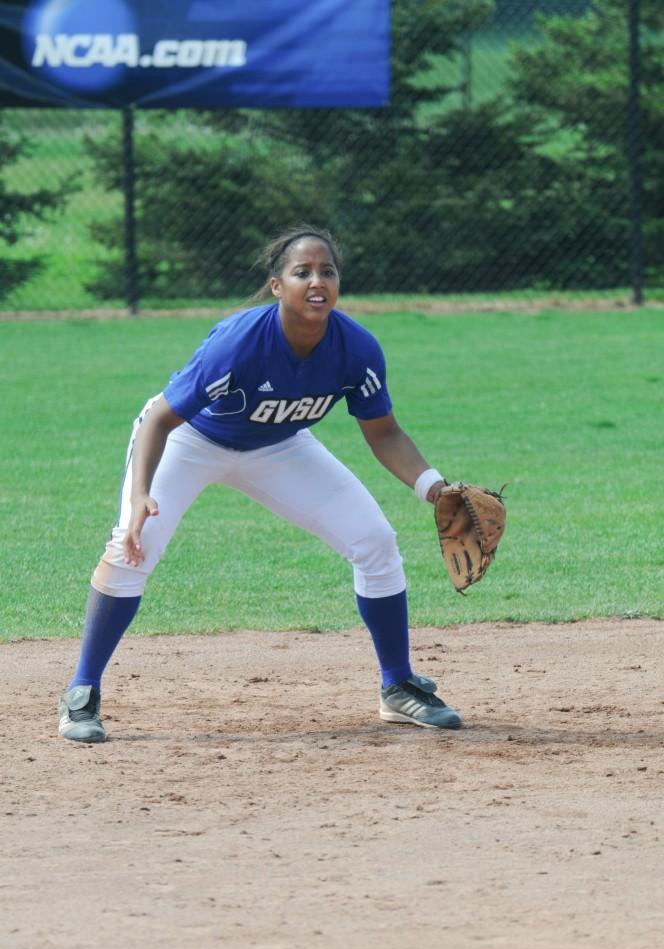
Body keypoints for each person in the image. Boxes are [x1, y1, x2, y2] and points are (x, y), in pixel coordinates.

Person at [58, 225, 463, 743]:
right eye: (302, 272)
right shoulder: (239, 344)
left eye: (328, 271)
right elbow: (160, 418)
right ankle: (81, 692)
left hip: (279, 446)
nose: (317, 281)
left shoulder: (356, 348)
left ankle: (398, 687)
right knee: (132, 549)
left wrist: (435, 488)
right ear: (278, 286)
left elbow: (384, 432)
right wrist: (140, 496)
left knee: (375, 541)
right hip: (190, 440)